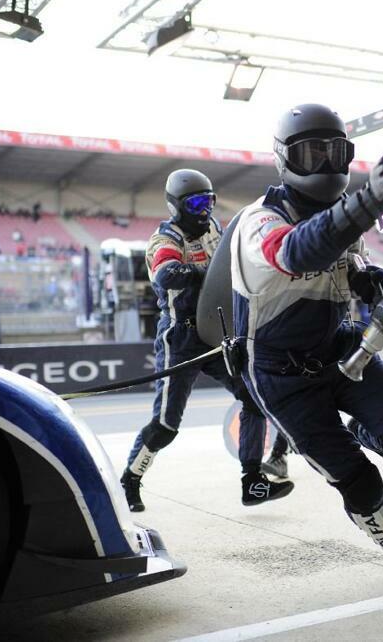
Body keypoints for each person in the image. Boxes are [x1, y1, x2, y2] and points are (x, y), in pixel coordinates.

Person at [229, 104, 383, 592]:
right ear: (284, 159)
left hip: (342, 350)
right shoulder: (259, 222)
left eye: (336, 152)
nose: (326, 164)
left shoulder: (341, 222)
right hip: (280, 376)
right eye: (312, 153)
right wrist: (366, 203)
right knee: (356, 481)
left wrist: (381, 294)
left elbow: (353, 271)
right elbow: (297, 251)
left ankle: (365, 433)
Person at [120, 169, 294, 511]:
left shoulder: (215, 227)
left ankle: (252, 481)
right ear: (176, 207)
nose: (204, 209)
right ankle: (130, 479)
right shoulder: (165, 239)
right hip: (180, 337)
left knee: (252, 397)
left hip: (213, 331)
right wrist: (208, 272)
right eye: (196, 202)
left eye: (209, 201)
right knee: (166, 425)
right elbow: (168, 275)